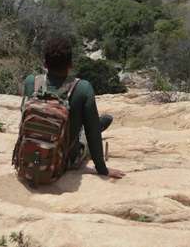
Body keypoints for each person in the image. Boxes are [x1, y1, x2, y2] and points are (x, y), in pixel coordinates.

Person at [22, 37, 125, 179]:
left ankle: (91, 124)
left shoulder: (31, 82)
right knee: (86, 133)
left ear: (45, 63)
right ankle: (97, 124)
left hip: (30, 159)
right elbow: (93, 133)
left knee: (80, 125)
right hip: (63, 162)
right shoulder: (82, 88)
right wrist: (102, 170)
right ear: (70, 64)